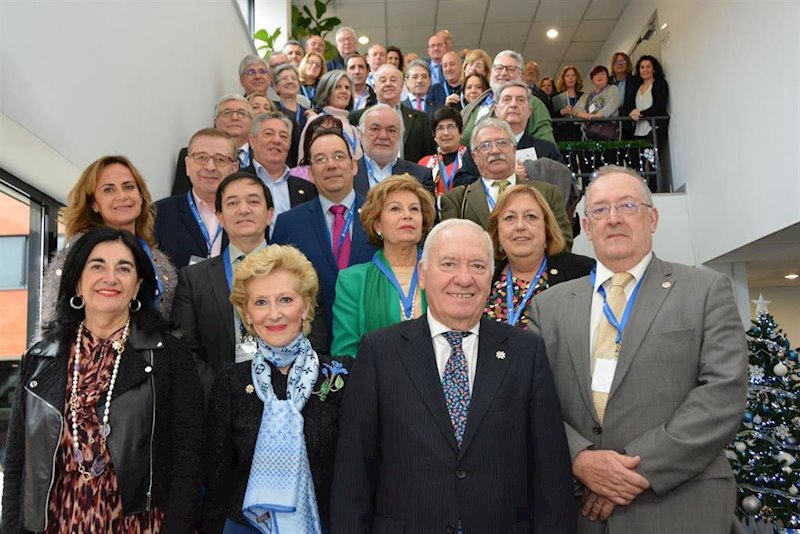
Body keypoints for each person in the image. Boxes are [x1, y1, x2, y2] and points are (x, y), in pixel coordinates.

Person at [530, 166, 748, 533]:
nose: (613, 219)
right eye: (600, 210)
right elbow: (532, 400)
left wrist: (632, 469)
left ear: (654, 217)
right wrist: (580, 459)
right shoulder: (548, 307)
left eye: (627, 206)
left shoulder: (705, 290)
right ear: (586, 224)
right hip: (580, 511)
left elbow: (722, 395)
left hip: (679, 504)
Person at [331, 218, 576, 533]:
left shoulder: (525, 353)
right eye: (448, 264)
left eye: (477, 265)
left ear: (491, 276)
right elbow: (353, 474)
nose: (464, 279)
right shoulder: (380, 352)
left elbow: (551, 476)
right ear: (423, 274)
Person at [1, 227, 205, 532]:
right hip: (55, 523)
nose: (110, 277)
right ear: (77, 283)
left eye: (123, 268)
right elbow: (18, 460)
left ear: (136, 287)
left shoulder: (169, 354)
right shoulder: (41, 357)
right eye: (97, 266)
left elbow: (189, 458)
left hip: (140, 526)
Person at [202, 245, 349, 533]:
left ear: (305, 305)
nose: (274, 314)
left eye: (285, 299)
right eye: (260, 302)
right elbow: (217, 479)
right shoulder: (231, 381)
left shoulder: (341, 376)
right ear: (247, 313)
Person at [42, 156, 177, 324]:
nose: (122, 196)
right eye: (108, 190)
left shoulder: (162, 263)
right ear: (94, 204)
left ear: (141, 197)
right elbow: (51, 325)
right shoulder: (76, 252)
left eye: (129, 187)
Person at [270, 129, 378, 332]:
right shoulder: (289, 223)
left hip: (371, 336)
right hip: (312, 340)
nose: (331, 165)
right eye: (320, 159)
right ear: (310, 173)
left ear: (354, 165)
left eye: (338, 156)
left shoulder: (379, 217)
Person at [331, 175, 436, 357]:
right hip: (377, 382)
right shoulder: (353, 280)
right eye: (395, 209)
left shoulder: (441, 274)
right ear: (377, 224)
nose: (407, 215)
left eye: (414, 209)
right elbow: (345, 353)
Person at [440, 118, 573, 249]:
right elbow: (450, 248)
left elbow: (562, 242)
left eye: (502, 142)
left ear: (514, 149)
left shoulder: (547, 194)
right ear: (475, 157)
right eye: (485, 145)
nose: (495, 150)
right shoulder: (457, 200)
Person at [484, 184, 594, 328]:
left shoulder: (582, 272)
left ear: (547, 227)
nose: (520, 226)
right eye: (509, 218)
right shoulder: (484, 278)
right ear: (497, 229)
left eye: (531, 217)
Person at [453, 81, 566, 187]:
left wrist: (533, 172)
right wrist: (498, 178)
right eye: (507, 99)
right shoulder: (479, 148)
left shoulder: (546, 150)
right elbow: (460, 183)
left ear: (529, 111)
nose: (513, 105)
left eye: (520, 100)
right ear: (496, 110)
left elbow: (564, 181)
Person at [156, 128, 239, 268]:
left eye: (220, 159)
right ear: (187, 165)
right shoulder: (159, 213)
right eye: (201, 157)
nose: (210, 167)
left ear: (234, 169)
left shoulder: (248, 213)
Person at [461, 50, 555, 145]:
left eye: (510, 69)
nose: (503, 73)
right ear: (492, 72)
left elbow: (547, 149)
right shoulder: (475, 104)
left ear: (521, 76)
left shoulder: (533, 104)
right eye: (499, 68)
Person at [245, 111, 319, 232]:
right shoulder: (237, 182)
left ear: (289, 145)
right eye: (269, 134)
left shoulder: (308, 189)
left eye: (284, 136)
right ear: (252, 141)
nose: (277, 140)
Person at [350, 64, 437, 165]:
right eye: (383, 80)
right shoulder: (357, 117)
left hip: (409, 178)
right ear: (374, 87)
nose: (388, 84)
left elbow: (428, 158)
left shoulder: (420, 118)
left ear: (402, 86)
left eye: (393, 80)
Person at [171, 94, 254, 195]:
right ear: (215, 121)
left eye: (242, 113)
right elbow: (180, 196)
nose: (235, 117)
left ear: (252, 122)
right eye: (227, 113)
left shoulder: (262, 156)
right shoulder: (192, 154)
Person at [354, 103, 435, 195]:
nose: (383, 136)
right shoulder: (346, 173)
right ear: (360, 134)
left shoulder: (420, 176)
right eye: (375, 129)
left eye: (391, 130)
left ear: (401, 136)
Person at [301, 69, 363, 162]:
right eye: (338, 87)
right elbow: (303, 163)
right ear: (326, 91)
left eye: (347, 88)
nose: (344, 91)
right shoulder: (316, 122)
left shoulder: (353, 129)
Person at [417, 106, 467, 198]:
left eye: (451, 127)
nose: (446, 133)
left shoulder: (472, 159)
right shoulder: (425, 164)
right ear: (434, 135)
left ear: (461, 131)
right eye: (440, 128)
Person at [573, 65, 621, 141]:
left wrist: (595, 116)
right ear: (592, 80)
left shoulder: (612, 89)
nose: (599, 76)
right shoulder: (587, 95)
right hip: (589, 134)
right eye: (596, 75)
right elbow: (576, 109)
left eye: (602, 74)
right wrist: (585, 115)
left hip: (608, 133)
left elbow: (612, 104)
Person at [628, 55, 669, 140]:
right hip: (638, 131)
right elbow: (629, 104)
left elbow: (660, 105)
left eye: (648, 67)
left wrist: (642, 114)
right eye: (642, 67)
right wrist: (632, 113)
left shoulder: (660, 84)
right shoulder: (636, 87)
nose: (645, 70)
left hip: (654, 128)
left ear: (654, 69)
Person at [272, 63, 312, 132]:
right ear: (276, 87)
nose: (290, 81)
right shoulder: (272, 109)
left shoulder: (307, 113)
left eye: (294, 78)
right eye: (284, 78)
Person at [552, 65, 585, 142]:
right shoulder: (557, 97)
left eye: (573, 75)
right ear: (563, 79)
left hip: (580, 132)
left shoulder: (583, 96)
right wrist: (562, 112)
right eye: (567, 76)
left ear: (577, 78)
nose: (570, 78)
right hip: (563, 134)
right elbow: (552, 115)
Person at [609, 52, 637, 137]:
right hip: (610, 124)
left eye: (623, 62)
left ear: (628, 64)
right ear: (613, 65)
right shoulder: (607, 82)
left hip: (629, 122)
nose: (620, 64)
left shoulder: (635, 81)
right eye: (617, 62)